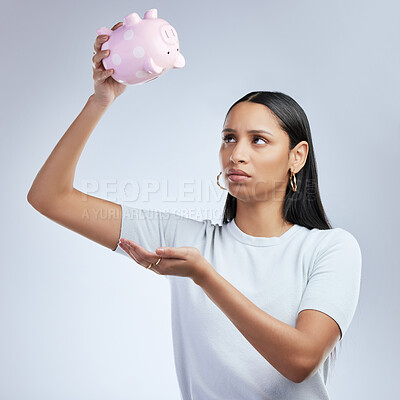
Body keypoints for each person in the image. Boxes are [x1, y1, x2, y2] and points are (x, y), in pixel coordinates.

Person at [27, 21, 362, 400]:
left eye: (259, 141)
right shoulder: (185, 241)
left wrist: (205, 276)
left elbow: (300, 361)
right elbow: (50, 197)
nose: (236, 154)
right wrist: (99, 102)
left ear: (296, 157)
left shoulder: (331, 249)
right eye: (229, 138)